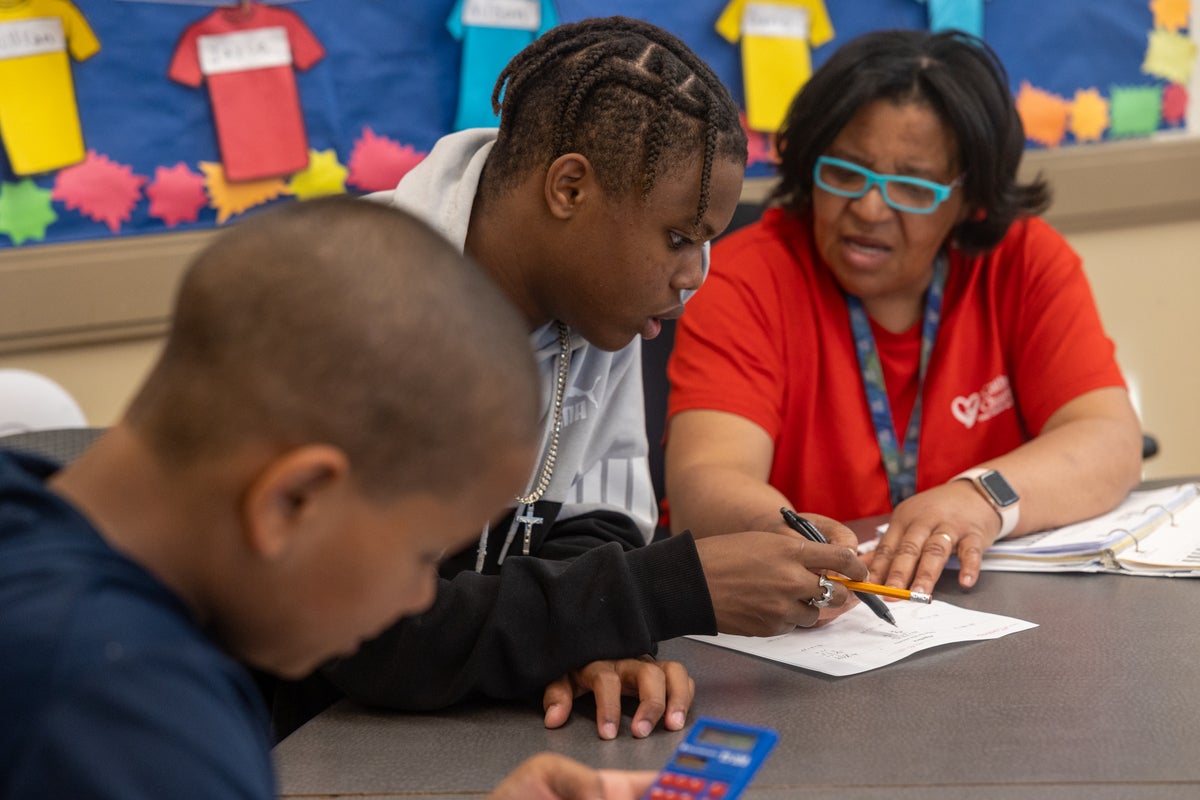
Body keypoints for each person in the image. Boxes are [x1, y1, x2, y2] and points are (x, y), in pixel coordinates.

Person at [299, 15, 868, 741]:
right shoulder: (347, 304)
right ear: (569, 187)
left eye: (706, 243)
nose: (695, 277)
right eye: (677, 238)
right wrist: (673, 590)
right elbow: (372, 641)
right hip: (295, 745)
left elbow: (593, 524)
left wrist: (594, 644)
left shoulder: (591, 297)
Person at [0, 196, 659, 799]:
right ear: (292, 502)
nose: (422, 596)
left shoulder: (27, 517)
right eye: (424, 553)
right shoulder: (127, 715)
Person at [664, 29, 1144, 596]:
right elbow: (706, 479)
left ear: (970, 197)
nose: (869, 209)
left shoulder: (1022, 260)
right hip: (805, 611)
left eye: (911, 187)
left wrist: (980, 497)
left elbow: (1109, 438)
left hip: (980, 606)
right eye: (844, 173)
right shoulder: (746, 276)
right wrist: (793, 540)